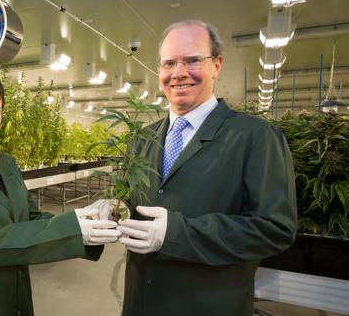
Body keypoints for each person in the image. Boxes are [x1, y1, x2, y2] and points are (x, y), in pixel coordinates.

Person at [115, 20, 297, 316]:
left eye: (192, 60)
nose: (178, 73)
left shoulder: (256, 137)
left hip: (207, 304)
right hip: (141, 302)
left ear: (217, 65)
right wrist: (113, 209)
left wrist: (176, 232)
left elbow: (275, 228)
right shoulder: (141, 139)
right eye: (169, 63)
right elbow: (132, 202)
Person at [0, 65, 120, 316]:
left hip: (16, 297)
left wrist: (88, 223)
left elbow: (31, 219)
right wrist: (72, 227)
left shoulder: (6, 164)